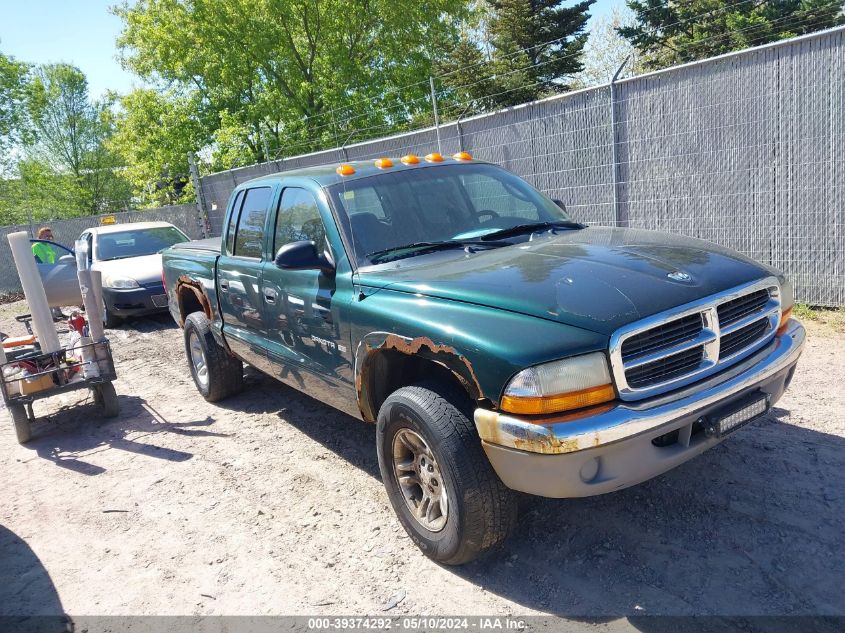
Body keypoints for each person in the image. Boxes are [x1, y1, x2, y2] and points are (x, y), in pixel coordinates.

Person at [31, 226, 64, 320]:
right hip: (44, 273)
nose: (49, 237)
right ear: (40, 236)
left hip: (51, 271)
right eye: (46, 235)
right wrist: (45, 271)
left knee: (54, 293)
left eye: (50, 235)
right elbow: (38, 261)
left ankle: (58, 313)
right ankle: (51, 316)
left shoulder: (47, 246)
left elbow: (51, 259)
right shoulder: (36, 246)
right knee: (47, 294)